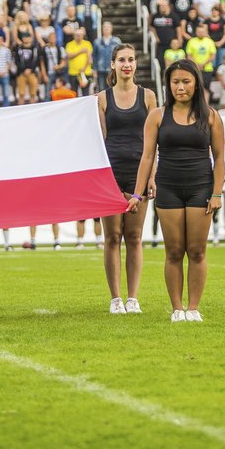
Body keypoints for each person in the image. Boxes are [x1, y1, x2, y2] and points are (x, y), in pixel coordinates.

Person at [127, 59, 225, 322]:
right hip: (168, 189)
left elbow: (219, 157)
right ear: (168, 85)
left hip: (200, 189)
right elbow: (147, 157)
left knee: (196, 250)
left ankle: (193, 308)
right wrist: (137, 194)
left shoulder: (212, 116)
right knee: (173, 251)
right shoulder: (157, 115)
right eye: (175, 82)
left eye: (186, 81)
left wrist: (216, 194)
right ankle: (177, 309)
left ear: (196, 84)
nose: (180, 87)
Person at [98, 44, 156, 315]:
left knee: (134, 237)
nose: (127, 64)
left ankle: (133, 298)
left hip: (138, 176)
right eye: (122, 60)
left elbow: (153, 142)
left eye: (131, 59)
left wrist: (152, 176)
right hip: (110, 176)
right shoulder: (102, 98)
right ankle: (115, 299)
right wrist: (102, 180)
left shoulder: (148, 97)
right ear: (113, 65)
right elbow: (100, 140)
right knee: (113, 237)